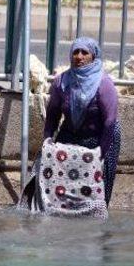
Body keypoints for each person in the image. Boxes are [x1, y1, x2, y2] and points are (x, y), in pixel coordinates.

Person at [41, 36, 121, 206]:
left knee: (96, 188)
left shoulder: (104, 83)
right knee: (62, 185)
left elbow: (110, 121)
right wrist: (47, 139)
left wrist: (101, 152)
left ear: (93, 56)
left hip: (101, 136)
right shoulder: (61, 82)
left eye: (84, 52)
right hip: (71, 133)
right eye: (75, 52)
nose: (79, 56)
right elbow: (53, 114)